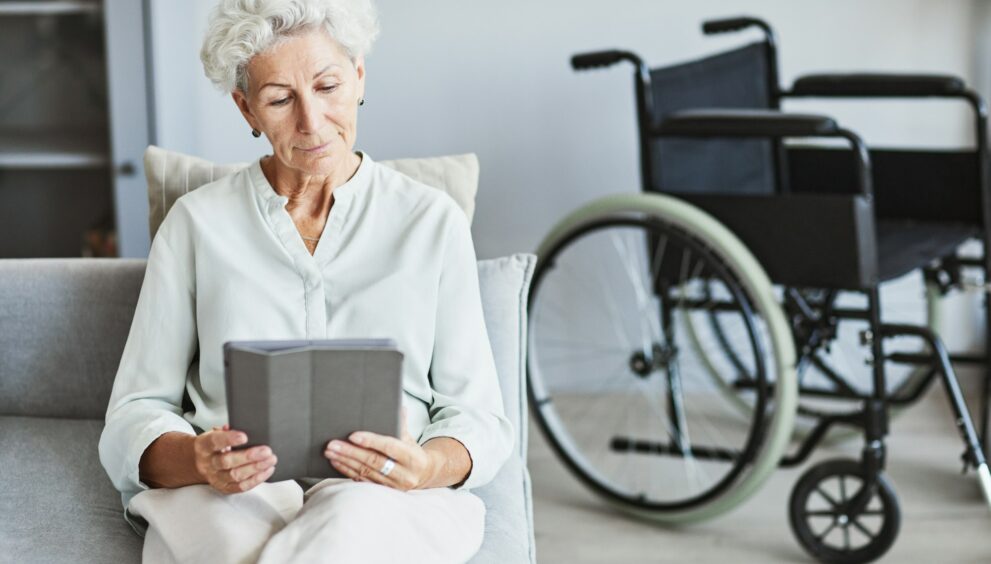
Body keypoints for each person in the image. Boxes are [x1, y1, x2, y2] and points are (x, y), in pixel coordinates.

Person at [97, 0, 513, 561]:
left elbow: (478, 417)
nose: (312, 123)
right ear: (246, 109)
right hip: (231, 494)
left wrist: (425, 465)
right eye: (280, 99)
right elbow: (134, 413)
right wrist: (198, 459)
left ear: (359, 76)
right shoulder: (196, 225)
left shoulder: (430, 222)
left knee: (351, 520)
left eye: (327, 86)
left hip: (385, 493)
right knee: (231, 534)